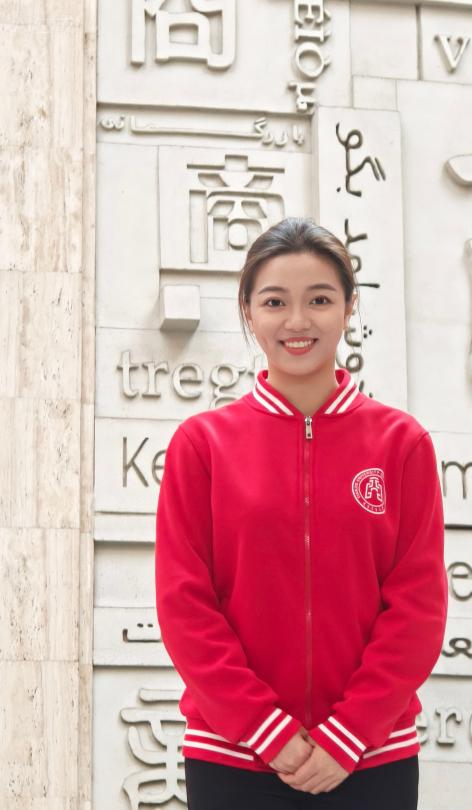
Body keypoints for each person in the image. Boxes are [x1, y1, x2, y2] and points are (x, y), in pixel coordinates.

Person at [154, 217, 448, 809]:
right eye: (274, 302)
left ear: (349, 307)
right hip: (234, 755)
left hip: (370, 757)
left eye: (319, 300)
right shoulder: (203, 444)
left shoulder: (402, 444)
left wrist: (349, 734)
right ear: (248, 311)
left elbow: (417, 605)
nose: (297, 321)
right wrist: (266, 730)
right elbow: (185, 604)